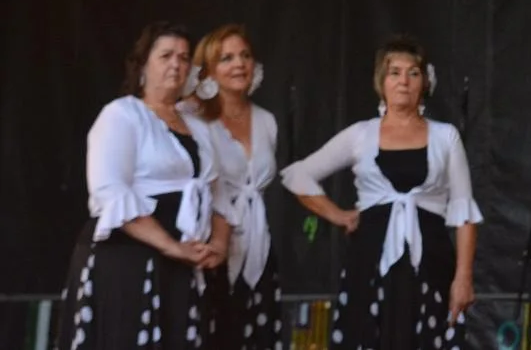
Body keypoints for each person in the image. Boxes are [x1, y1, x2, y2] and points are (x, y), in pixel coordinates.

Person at [280, 35, 482, 350]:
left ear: (425, 82)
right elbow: (299, 175)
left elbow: (463, 210)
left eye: (413, 73)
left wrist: (463, 277)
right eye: (394, 72)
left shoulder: (446, 137)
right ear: (381, 81)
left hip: (431, 262)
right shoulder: (361, 134)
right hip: (369, 262)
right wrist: (339, 215)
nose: (403, 81)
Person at [55, 21, 231, 350]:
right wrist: (171, 246)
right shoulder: (122, 115)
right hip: (127, 259)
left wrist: (219, 245)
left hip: (180, 265)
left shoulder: (198, 127)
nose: (176, 64)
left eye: (184, 57)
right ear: (143, 66)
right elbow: (112, 193)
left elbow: (218, 196)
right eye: (166, 55)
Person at [184, 24, 282, 350]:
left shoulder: (267, 120)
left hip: (257, 245)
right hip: (210, 247)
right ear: (209, 70)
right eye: (226, 58)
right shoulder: (192, 118)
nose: (239, 64)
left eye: (245, 55)